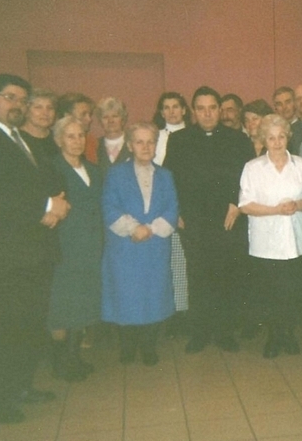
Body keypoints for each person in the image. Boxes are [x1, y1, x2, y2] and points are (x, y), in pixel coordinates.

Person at [0, 74, 70, 424]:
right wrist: (45, 206)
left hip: (34, 251)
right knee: (6, 328)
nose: (17, 105)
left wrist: (57, 201)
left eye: (22, 100)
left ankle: (20, 386)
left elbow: (45, 180)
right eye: (9, 97)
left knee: (29, 325)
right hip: (5, 255)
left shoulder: (17, 138)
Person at [164, 86, 254, 354]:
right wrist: (176, 211)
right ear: (193, 111)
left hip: (228, 218)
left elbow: (249, 178)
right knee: (198, 275)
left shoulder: (238, 139)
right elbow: (169, 178)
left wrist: (237, 204)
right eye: (201, 108)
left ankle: (224, 332)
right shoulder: (180, 140)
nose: (207, 114)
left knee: (225, 275)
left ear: (219, 109)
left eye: (212, 108)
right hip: (193, 220)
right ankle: (200, 333)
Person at [101, 122, 178, 366]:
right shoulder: (116, 174)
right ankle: (127, 346)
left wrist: (151, 229)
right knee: (126, 297)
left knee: (153, 296)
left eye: (150, 142)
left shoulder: (165, 176)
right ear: (130, 145)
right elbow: (109, 206)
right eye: (139, 142)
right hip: (126, 247)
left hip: (155, 246)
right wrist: (134, 228)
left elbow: (172, 208)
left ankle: (148, 346)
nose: (146, 147)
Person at [239, 114, 302, 358]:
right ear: (263, 140)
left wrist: (297, 205)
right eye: (271, 138)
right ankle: (274, 336)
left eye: (281, 137)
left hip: (294, 238)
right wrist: (276, 210)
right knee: (269, 291)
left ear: (288, 137)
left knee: (291, 290)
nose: (277, 142)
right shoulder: (253, 168)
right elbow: (245, 205)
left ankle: (288, 334)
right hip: (265, 240)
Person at [47, 116, 103, 382]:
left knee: (82, 302)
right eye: (70, 136)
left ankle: (74, 356)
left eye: (81, 135)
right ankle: (61, 361)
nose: (77, 141)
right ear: (59, 140)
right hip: (65, 246)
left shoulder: (93, 169)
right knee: (63, 304)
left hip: (91, 247)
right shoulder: (51, 169)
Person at [152, 92, 192, 337]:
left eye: (176, 106)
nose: (172, 111)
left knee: (183, 265)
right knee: (165, 263)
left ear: (184, 109)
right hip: (161, 208)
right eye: (166, 107)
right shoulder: (155, 137)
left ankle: (183, 314)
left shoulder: (193, 135)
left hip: (185, 209)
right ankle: (166, 313)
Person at [56, 92, 97, 163]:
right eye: (83, 114)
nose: (89, 119)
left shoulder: (91, 141)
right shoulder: (52, 143)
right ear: (67, 116)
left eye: (89, 114)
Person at [95, 96, 131, 174]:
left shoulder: (134, 143)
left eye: (115, 116)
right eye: (105, 117)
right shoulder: (94, 146)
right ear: (100, 121)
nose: (110, 121)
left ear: (123, 119)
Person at [20, 88, 59, 159]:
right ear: (26, 111)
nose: (45, 113)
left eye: (50, 108)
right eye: (38, 107)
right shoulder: (17, 138)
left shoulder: (58, 138)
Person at [274, 86, 302, 155]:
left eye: (288, 102)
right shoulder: (273, 131)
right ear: (275, 108)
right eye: (279, 104)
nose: (284, 107)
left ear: (295, 103)